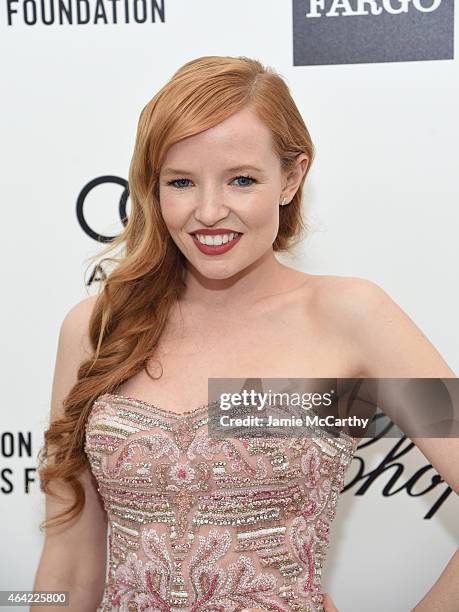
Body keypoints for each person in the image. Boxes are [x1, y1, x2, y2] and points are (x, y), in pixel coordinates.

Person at [33, 55, 459, 612]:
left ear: (292, 177)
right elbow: (67, 567)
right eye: (181, 181)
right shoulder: (98, 328)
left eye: (241, 180)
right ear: (152, 188)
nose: (209, 211)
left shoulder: (352, 316)